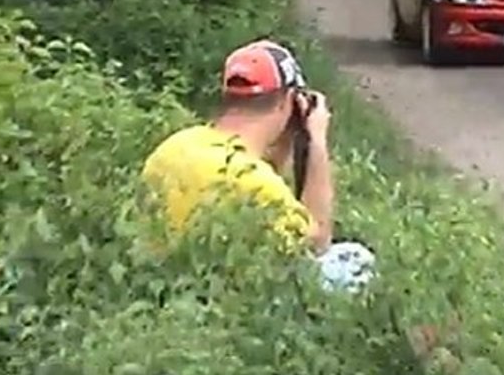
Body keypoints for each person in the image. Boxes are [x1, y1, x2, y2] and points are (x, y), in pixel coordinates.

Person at [140, 39, 374, 292]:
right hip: (223, 298)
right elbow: (317, 245)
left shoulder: (175, 146)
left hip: (163, 282)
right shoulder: (253, 183)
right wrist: (315, 142)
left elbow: (261, 180)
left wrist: (281, 146)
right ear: (289, 103)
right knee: (355, 261)